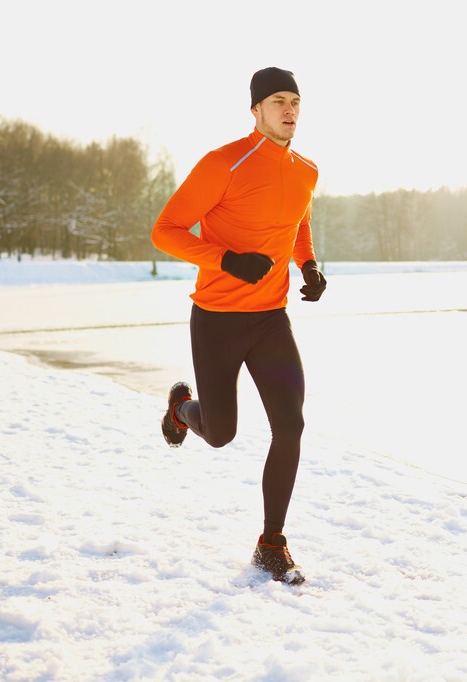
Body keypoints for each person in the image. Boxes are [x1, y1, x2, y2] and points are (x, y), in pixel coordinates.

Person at [151, 67, 326, 585]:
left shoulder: (306, 170)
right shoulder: (223, 162)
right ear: (255, 110)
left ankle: (272, 544)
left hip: (271, 319)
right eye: (278, 100)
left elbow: (298, 222)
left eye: (295, 100)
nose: (289, 109)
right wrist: (226, 260)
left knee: (290, 425)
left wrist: (309, 264)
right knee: (221, 433)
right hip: (218, 320)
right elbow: (165, 231)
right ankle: (182, 409)